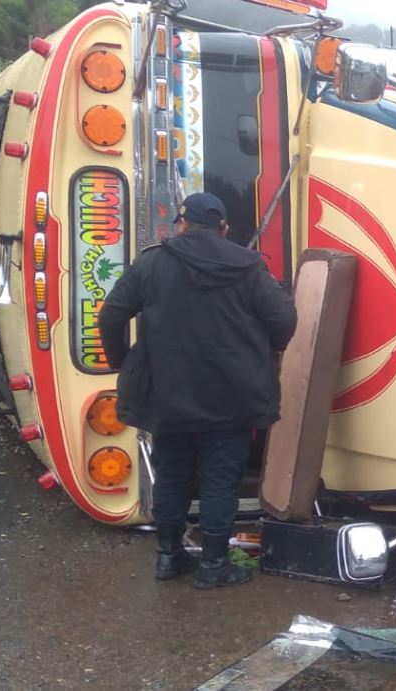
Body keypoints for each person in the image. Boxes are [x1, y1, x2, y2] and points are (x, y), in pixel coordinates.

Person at [99, 192, 297, 590]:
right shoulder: (248, 268)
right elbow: (284, 318)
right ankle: (213, 564)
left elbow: (111, 314)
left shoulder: (152, 264)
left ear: (182, 223)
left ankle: (169, 557)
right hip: (232, 394)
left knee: (171, 474)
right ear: (223, 228)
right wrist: (266, 348)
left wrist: (123, 360)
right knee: (220, 480)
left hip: (167, 395)